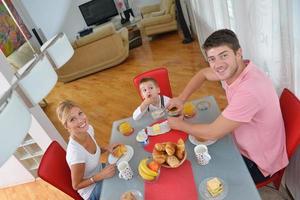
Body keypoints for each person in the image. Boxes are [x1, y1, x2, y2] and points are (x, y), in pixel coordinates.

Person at [167, 29, 288, 183]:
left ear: (238, 53)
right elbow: (203, 74)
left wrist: (179, 124)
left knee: (198, 175)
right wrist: (181, 99)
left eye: (224, 55)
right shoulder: (236, 68)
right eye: (212, 59)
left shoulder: (250, 90)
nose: (218, 65)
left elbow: (212, 132)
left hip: (258, 162)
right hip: (243, 142)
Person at [57, 100, 117, 200]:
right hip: (91, 190)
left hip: (100, 172)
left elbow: (91, 156)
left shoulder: (88, 129)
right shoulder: (76, 153)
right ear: (66, 126)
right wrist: (100, 176)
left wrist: (106, 148)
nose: (81, 120)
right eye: (72, 119)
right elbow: (76, 185)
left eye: (80, 113)